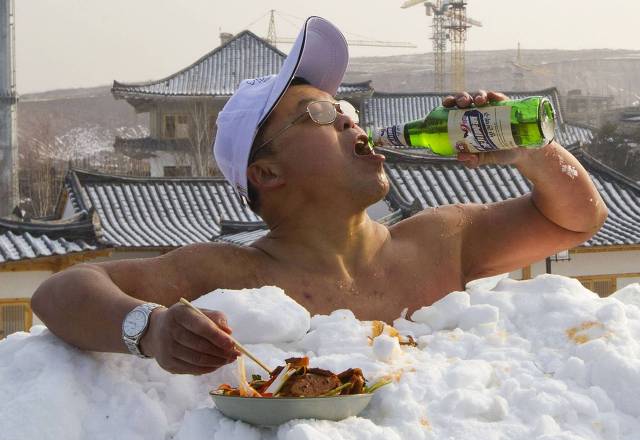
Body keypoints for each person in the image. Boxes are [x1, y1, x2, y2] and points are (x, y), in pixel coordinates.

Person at [31, 17, 607, 376]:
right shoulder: (231, 271)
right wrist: (149, 330)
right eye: (324, 114)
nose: (352, 123)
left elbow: (576, 220)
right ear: (268, 172)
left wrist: (530, 150)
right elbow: (61, 292)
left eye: (351, 112)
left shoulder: (439, 237)